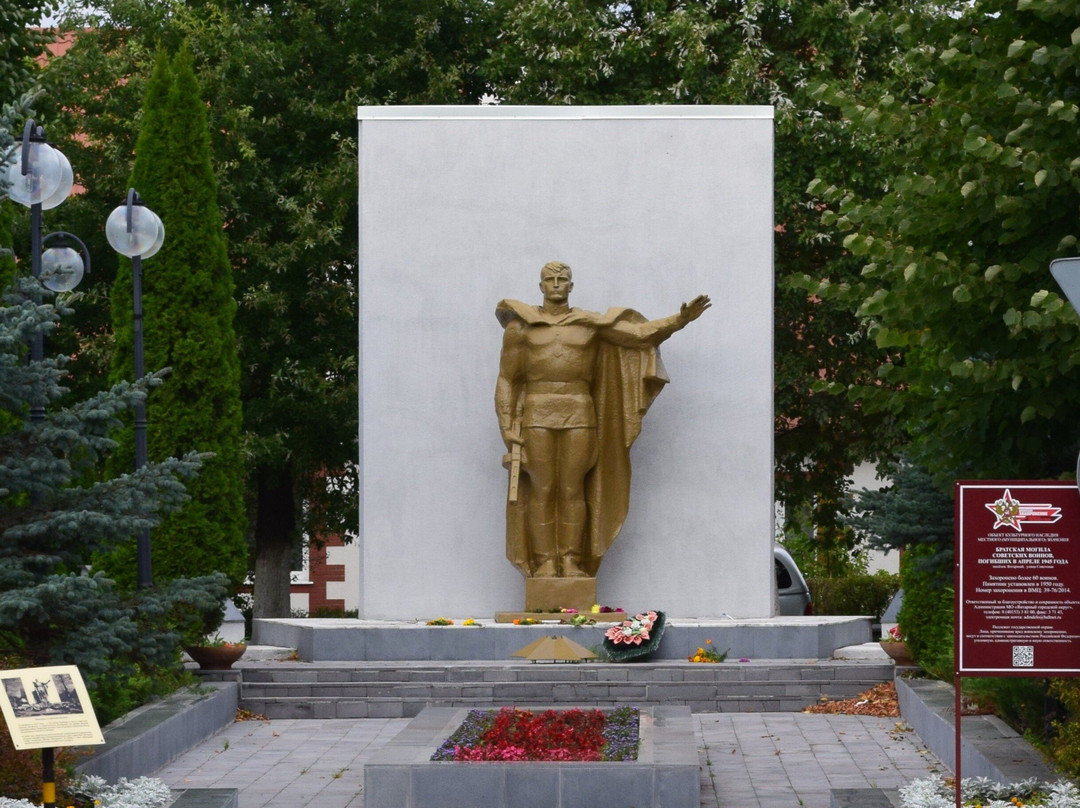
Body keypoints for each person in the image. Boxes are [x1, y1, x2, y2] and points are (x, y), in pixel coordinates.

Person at [495, 261, 710, 578]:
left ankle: (569, 560)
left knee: (572, 489)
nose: (556, 284)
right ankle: (543, 563)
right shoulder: (521, 329)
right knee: (542, 489)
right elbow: (507, 380)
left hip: (580, 411)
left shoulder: (590, 325)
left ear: (571, 286)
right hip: (537, 414)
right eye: (550, 279)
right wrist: (506, 425)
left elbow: (639, 335)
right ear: (540, 286)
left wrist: (679, 320)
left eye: (562, 279)